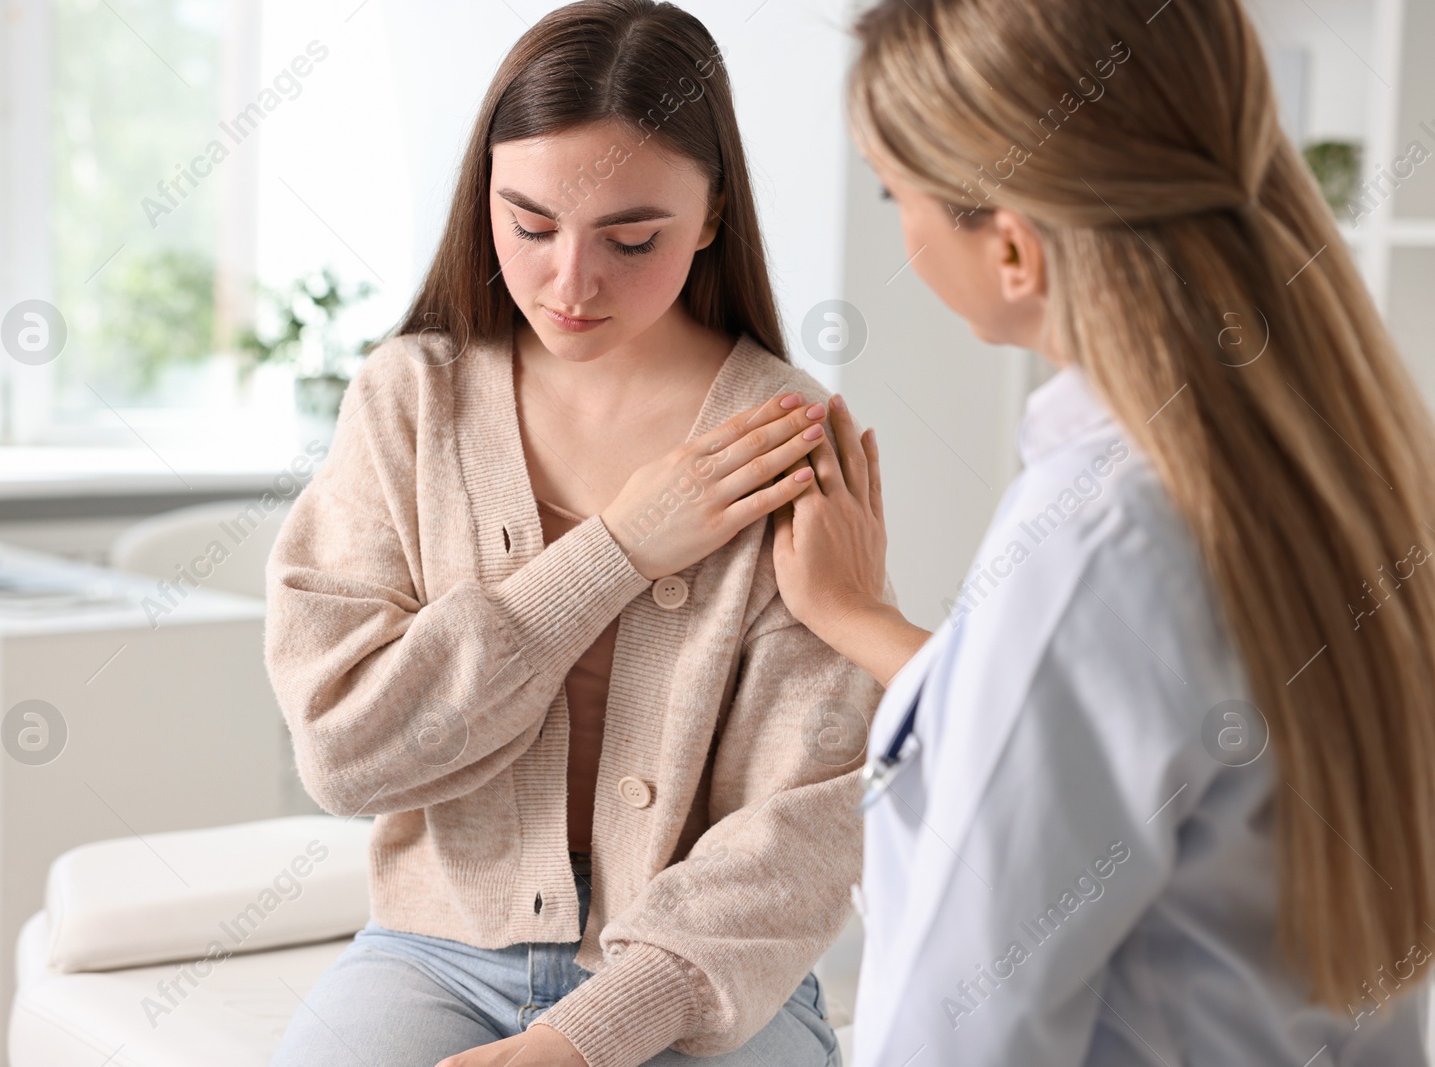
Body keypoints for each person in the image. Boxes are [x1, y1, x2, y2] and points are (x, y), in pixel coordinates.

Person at [771, 0, 1435, 1063]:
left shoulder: (1096, 540)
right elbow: (1132, 734)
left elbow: (956, 1029)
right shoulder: (1336, 469)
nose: (899, 227)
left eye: (896, 194)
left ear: (1016, 250)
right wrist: (867, 622)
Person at [263, 3, 882, 1066]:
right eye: (530, 225)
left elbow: (809, 820)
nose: (569, 283)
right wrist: (619, 549)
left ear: (713, 214)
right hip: (437, 948)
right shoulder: (412, 400)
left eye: (631, 238)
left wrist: (590, 1033)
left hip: (702, 975)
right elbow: (345, 748)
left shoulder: (786, 434)